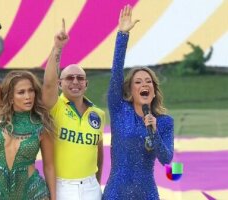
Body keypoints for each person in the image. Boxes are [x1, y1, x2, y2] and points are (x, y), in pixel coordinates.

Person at [102, 5, 174, 200]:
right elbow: (116, 73)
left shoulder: (165, 122)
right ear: (130, 91)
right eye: (138, 82)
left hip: (146, 194)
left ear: (153, 91)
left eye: (148, 81)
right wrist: (122, 35)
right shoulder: (119, 110)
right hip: (116, 193)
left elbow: (166, 159)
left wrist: (154, 130)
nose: (144, 84)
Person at [0, 19, 56, 200]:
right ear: (10, 96)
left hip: (33, 193)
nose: (28, 96)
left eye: (31, 91)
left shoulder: (40, 124)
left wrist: (54, 198)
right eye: (22, 92)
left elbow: (49, 166)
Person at [42, 19, 105, 200]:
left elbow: (98, 154)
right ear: (60, 84)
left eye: (80, 78)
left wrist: (96, 182)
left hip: (91, 185)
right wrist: (57, 48)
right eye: (69, 78)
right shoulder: (54, 107)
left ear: (86, 84)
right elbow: (48, 84)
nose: (75, 81)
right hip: (63, 186)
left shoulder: (98, 114)